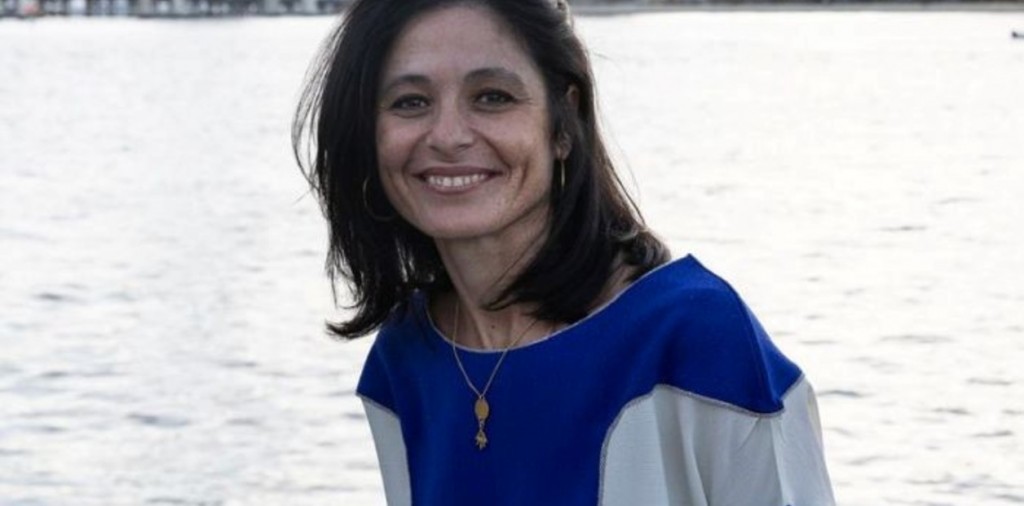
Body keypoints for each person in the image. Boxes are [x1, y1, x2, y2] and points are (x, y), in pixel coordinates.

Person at [292, 0, 835, 504]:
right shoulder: (403, 358)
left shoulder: (699, 337)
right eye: (410, 102)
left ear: (562, 124)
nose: (449, 135)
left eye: (492, 97)